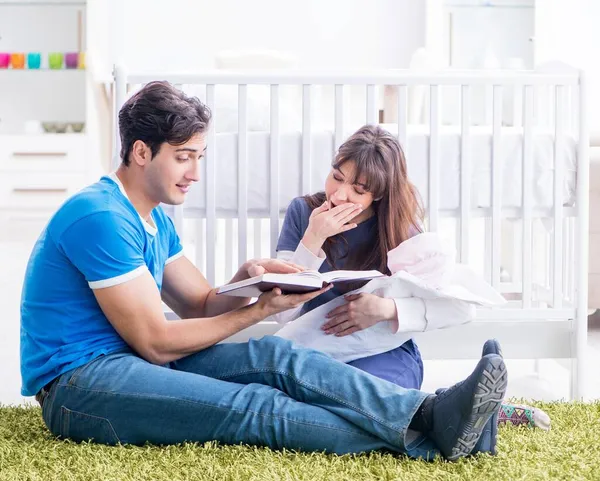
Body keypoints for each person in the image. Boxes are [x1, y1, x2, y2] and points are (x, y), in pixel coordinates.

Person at [20, 81, 507, 462]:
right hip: (81, 384)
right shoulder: (100, 217)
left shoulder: (150, 218)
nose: (194, 173)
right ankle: (428, 437)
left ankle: (434, 414)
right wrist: (258, 311)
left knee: (277, 358)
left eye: (199, 157)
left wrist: (247, 274)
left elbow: (198, 303)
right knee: (255, 408)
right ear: (142, 151)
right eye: (183, 157)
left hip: (128, 359)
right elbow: (155, 341)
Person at [271, 125, 551, 449]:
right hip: (316, 349)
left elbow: (455, 304)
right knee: (302, 403)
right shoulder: (303, 212)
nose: (340, 195)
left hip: (384, 351)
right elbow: (281, 314)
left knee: (358, 396)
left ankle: (451, 412)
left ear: (377, 193)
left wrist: (385, 309)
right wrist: (313, 239)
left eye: (358, 190)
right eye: (337, 176)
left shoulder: (399, 229)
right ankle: (457, 414)